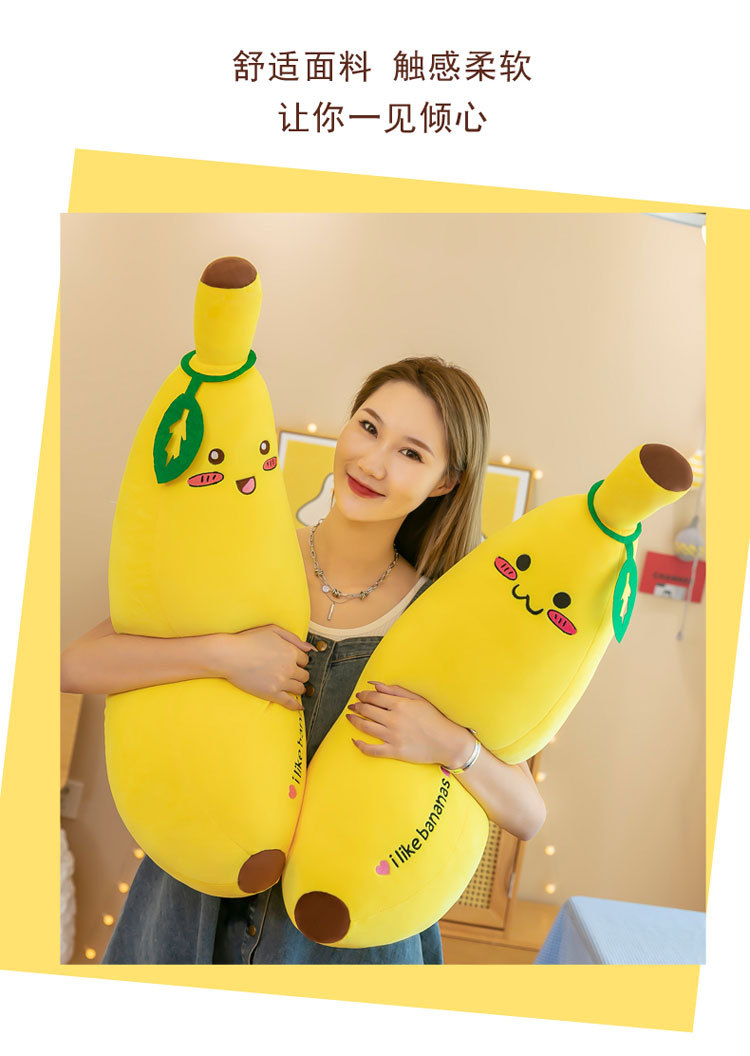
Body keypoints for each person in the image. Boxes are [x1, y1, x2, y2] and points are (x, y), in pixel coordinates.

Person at [61, 356, 547, 964]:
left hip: (341, 944)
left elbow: (528, 815)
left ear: (445, 482)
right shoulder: (249, 558)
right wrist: (223, 655)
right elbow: (76, 665)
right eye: (368, 427)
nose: (372, 463)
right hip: (189, 906)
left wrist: (449, 744)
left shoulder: (441, 618)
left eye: (410, 453)